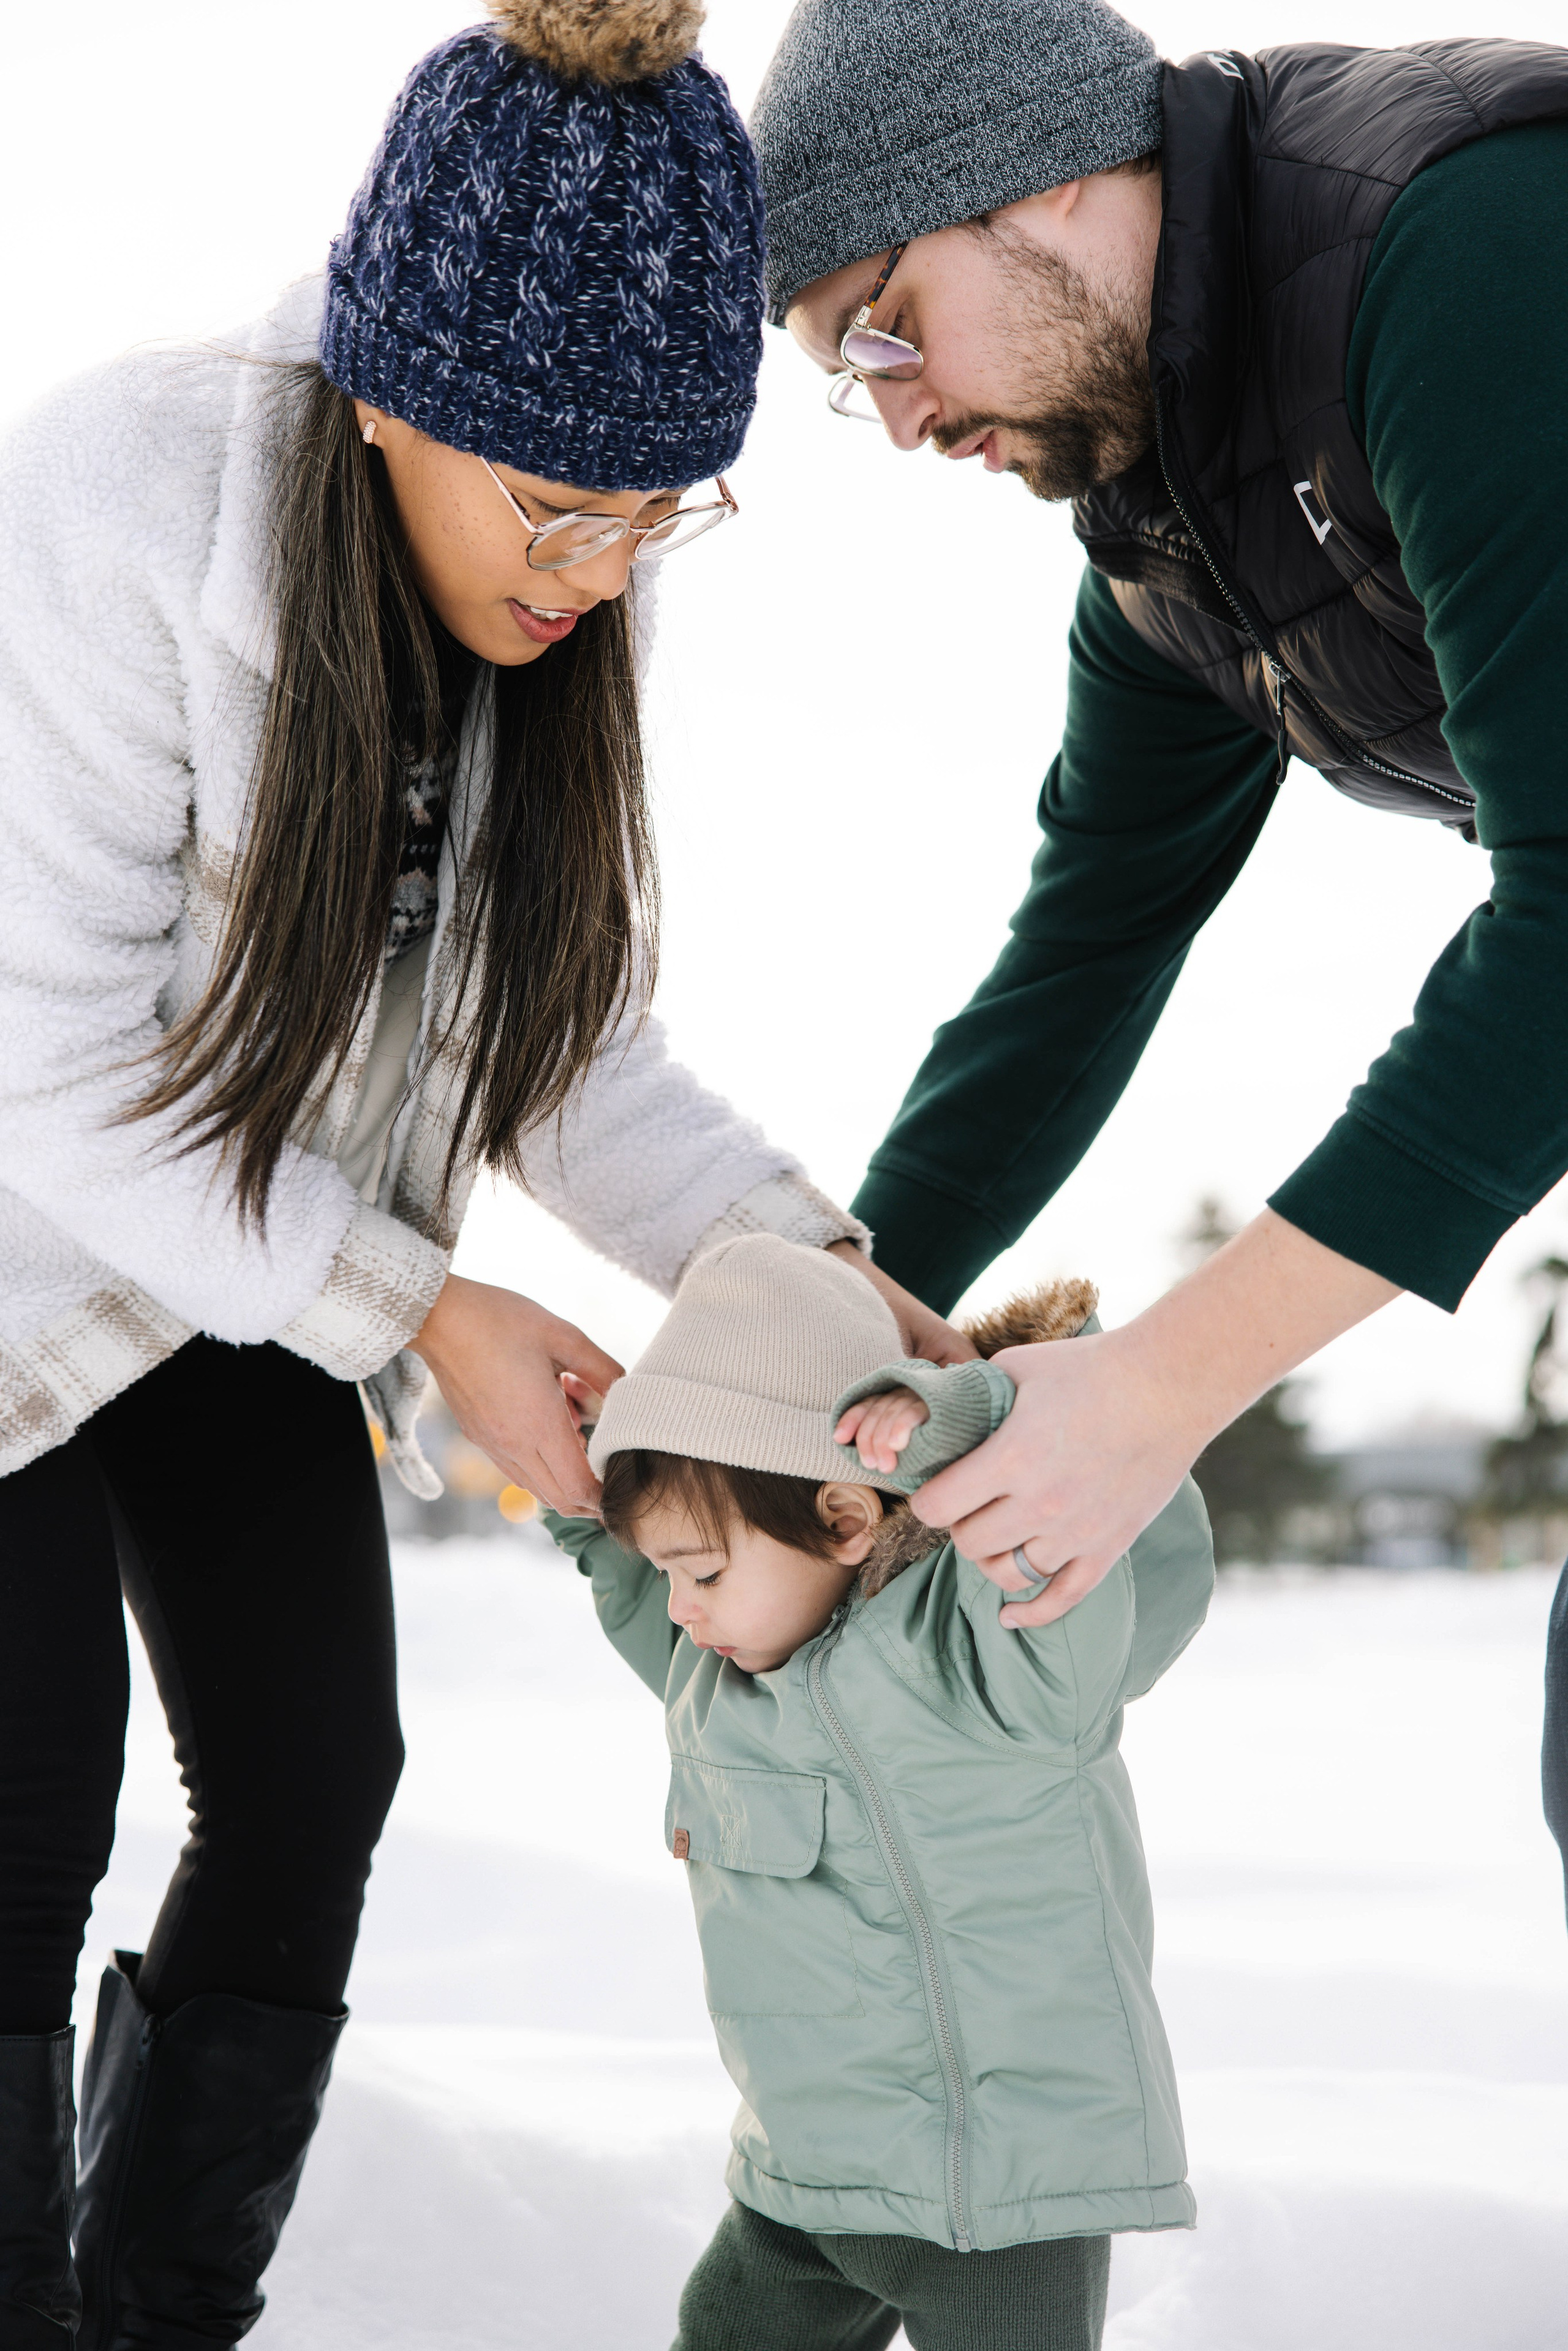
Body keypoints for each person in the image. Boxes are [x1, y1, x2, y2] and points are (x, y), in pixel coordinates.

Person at [0, 6, 965, 2342]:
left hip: (234, 1240)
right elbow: (46, 1066)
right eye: (561, 506)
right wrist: (426, 1309)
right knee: (27, 1820)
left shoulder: (553, 591)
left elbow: (572, 1053)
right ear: (388, 392)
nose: (607, 570)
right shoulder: (127, 504)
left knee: (317, 1767)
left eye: (660, 508)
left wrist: (829, 1276)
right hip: (36, 1226)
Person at [749, 3, 1568, 1873]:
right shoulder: (1166, 536)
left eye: (882, 324)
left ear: (1030, 176)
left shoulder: (1463, 255)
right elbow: (1088, 947)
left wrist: (1166, 1379)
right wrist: (823, 1360)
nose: (893, 411)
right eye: (842, 377)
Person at [546, 1234, 1213, 2351]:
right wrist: (580, 1469)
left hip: (996, 2202)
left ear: (849, 1517)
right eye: (667, 1574)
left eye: (701, 1572)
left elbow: (1062, 1507)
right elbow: (632, 1568)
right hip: (799, 2187)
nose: (678, 1609)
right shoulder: (718, 1687)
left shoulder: (997, 1661)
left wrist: (959, 1425)